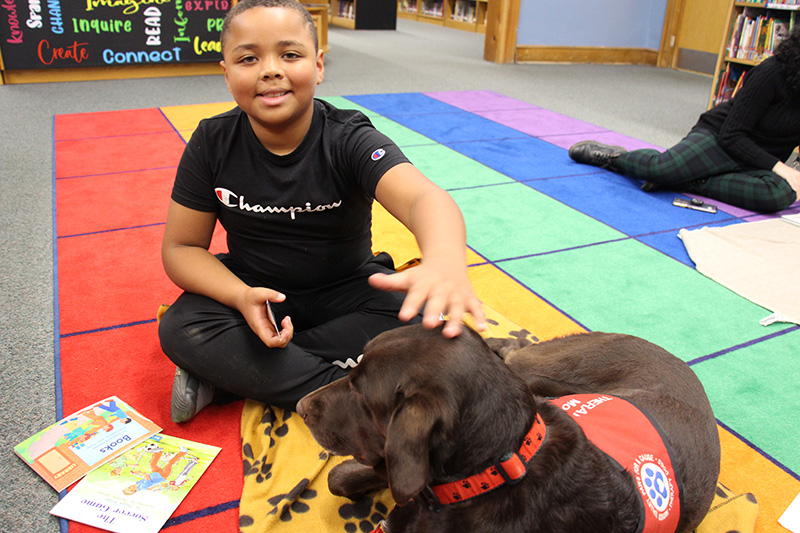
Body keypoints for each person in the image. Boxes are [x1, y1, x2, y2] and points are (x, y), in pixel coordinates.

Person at [158, 0, 485, 423]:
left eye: (290, 55)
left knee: (423, 317)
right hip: (255, 295)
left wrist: (443, 260)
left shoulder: (348, 137)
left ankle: (230, 376)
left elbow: (424, 198)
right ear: (226, 73)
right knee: (183, 326)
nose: (270, 69)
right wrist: (240, 296)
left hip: (346, 292)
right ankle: (351, 396)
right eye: (248, 58)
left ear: (319, 65)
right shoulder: (211, 142)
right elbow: (181, 248)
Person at [568, 25, 800, 213]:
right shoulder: (772, 72)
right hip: (721, 140)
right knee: (663, 168)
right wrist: (779, 167)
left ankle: (688, 180)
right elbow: (732, 134)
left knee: (779, 194)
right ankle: (616, 158)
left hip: (758, 161)